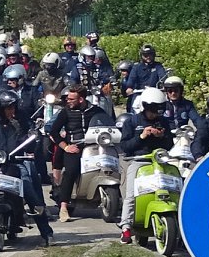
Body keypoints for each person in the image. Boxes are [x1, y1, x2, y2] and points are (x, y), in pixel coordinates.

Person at [0, 90, 53, 243]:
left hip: (16, 164)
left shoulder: (21, 121)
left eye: (13, 107)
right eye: (8, 108)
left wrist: (33, 136)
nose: (12, 110)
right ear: (0, 109)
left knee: (30, 193)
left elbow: (31, 140)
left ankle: (47, 233)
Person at [117, 88, 176, 243]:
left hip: (160, 162)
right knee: (131, 195)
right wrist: (142, 136)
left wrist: (161, 136)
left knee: (174, 187)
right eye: (152, 111)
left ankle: (178, 222)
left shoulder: (164, 122)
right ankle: (126, 227)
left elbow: (170, 144)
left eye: (158, 111)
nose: (155, 115)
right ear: (145, 107)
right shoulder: (132, 122)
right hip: (139, 161)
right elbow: (125, 146)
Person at [47, 82, 113, 219]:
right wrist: (66, 147)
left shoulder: (96, 111)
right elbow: (54, 132)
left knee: (109, 164)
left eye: (71, 99)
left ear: (81, 99)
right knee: (71, 171)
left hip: (94, 145)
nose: (68, 101)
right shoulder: (65, 112)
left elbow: (108, 124)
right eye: (68, 99)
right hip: (74, 147)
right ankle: (63, 206)